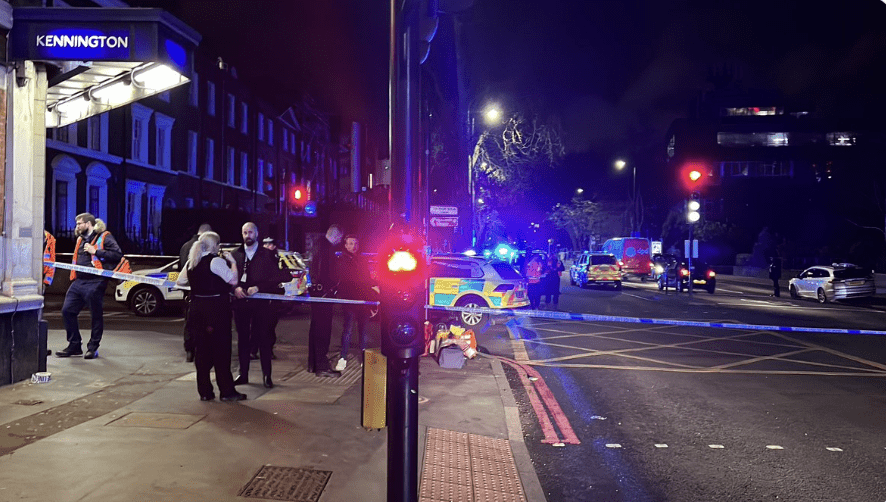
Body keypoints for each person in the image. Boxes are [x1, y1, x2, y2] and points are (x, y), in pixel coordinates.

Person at [175, 231, 246, 402]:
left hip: (197, 310)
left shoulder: (193, 262)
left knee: (202, 352)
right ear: (215, 245)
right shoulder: (216, 261)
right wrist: (233, 263)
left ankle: (205, 391)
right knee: (221, 351)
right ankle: (227, 391)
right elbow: (232, 280)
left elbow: (180, 282)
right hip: (216, 310)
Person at [231, 222, 290, 389]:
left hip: (262, 304)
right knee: (243, 340)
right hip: (241, 303)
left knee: (264, 339)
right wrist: (235, 289)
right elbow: (228, 277)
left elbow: (280, 276)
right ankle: (243, 374)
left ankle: (267, 376)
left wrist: (259, 287)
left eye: (250, 232)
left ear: (256, 234)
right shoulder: (235, 254)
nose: (247, 235)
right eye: (244, 232)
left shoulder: (267, 255)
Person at [58, 213, 123, 359]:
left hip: (96, 281)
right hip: (79, 281)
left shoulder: (105, 236)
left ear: (88, 224)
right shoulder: (80, 239)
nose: (77, 227)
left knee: (96, 315)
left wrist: (96, 251)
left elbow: (117, 254)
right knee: (67, 311)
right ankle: (74, 345)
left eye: (79, 223)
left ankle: (93, 348)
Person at [335, 234, 377, 372]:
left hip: (363, 300)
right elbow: (345, 280)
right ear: (346, 245)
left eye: (356, 243)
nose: (354, 246)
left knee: (363, 330)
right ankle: (343, 357)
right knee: (347, 329)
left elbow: (367, 279)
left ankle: (363, 356)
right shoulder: (342, 260)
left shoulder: (362, 260)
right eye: (351, 243)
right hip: (350, 299)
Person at [308, 224, 344, 377]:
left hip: (316, 294)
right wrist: (333, 287)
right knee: (323, 330)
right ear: (336, 236)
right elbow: (327, 273)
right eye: (340, 238)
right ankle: (322, 365)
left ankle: (313, 363)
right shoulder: (327, 250)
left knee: (315, 329)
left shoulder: (316, 245)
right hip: (324, 294)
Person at [179, 223, 212, 363]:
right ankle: (200, 350)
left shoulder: (185, 246)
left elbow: (182, 268)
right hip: (202, 293)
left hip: (188, 291)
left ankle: (189, 350)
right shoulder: (204, 247)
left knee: (188, 321)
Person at [262, 236, 283, 360]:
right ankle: (256, 349)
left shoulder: (277, 259)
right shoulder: (260, 258)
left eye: (270, 244)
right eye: (265, 244)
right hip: (263, 297)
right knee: (260, 326)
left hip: (274, 297)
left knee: (271, 326)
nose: (267, 247)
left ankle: (268, 350)